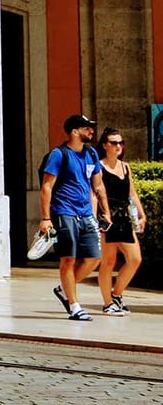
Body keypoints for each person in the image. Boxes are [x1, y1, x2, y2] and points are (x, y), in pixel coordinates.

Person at [41, 113, 110, 320]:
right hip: (64, 212)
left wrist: (105, 210)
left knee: (94, 258)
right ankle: (74, 305)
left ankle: (63, 290)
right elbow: (47, 187)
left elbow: (98, 185)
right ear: (74, 131)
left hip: (86, 213)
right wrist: (46, 218)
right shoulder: (59, 154)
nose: (91, 131)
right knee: (68, 259)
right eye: (86, 128)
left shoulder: (91, 154)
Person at [97, 128, 144, 316]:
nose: (118, 146)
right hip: (107, 217)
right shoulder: (98, 167)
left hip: (124, 216)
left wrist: (141, 214)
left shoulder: (125, 167)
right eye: (114, 142)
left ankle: (116, 294)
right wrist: (102, 215)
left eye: (121, 143)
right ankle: (107, 303)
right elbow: (98, 193)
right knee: (108, 261)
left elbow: (131, 192)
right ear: (105, 145)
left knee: (135, 259)